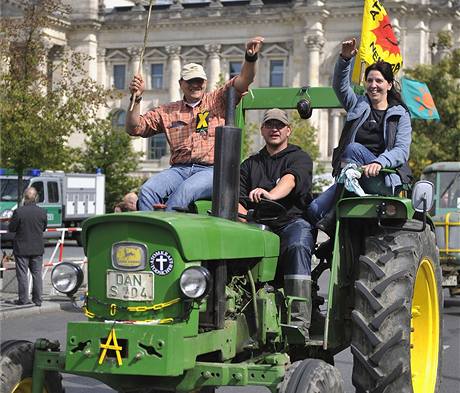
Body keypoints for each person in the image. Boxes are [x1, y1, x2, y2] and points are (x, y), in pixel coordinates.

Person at [126, 36, 264, 211]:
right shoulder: (167, 111)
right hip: (179, 170)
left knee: (184, 192)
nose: (195, 85)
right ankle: (149, 232)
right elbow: (134, 127)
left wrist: (250, 58)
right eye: (191, 81)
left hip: (211, 171)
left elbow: (245, 79)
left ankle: (168, 235)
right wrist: (136, 98)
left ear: (205, 83)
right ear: (181, 83)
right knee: (147, 190)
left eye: (199, 81)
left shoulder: (217, 100)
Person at [307, 38, 412, 236]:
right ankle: (333, 244)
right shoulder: (358, 105)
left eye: (379, 81)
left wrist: (380, 163)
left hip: (381, 175)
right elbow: (340, 87)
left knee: (353, 149)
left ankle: (331, 217)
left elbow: (401, 150)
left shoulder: (400, 114)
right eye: (369, 80)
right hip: (352, 175)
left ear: (389, 85)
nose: (373, 85)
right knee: (313, 210)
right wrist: (345, 59)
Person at [238, 108, 315, 337]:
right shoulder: (250, 164)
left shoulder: (299, 157)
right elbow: (236, 199)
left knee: (298, 245)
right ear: (262, 130)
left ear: (288, 130)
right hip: (258, 225)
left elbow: (290, 181)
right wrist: (241, 219)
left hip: (291, 222)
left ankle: (299, 321)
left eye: (280, 125)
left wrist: (270, 195)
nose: (275, 129)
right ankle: (244, 317)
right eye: (270, 125)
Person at [8, 187, 47, 306]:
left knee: (22, 275)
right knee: (37, 275)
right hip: (37, 248)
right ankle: (38, 299)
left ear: (24, 197)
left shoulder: (19, 212)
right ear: (36, 197)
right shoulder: (42, 212)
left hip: (22, 248)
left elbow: (12, 228)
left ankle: (24, 299)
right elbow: (44, 228)